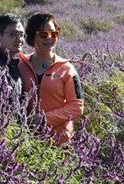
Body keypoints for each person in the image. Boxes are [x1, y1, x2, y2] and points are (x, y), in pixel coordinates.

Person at [18, 12, 84, 145]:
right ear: (32, 36)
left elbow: (77, 107)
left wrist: (44, 119)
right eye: (43, 34)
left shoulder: (66, 68)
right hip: (25, 140)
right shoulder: (20, 64)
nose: (49, 38)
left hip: (58, 141)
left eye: (54, 34)